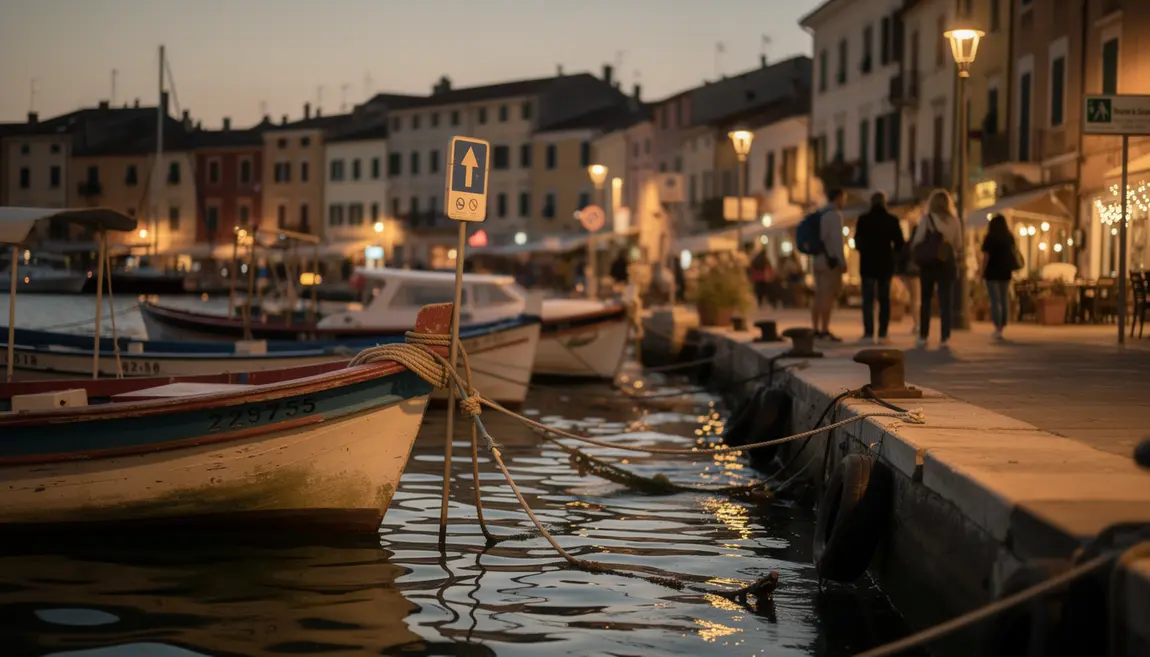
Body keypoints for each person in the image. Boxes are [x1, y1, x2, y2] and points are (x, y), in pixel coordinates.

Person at [910, 189, 964, 348]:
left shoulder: (927, 219)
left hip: (929, 264)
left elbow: (917, 240)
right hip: (947, 263)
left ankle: (923, 335)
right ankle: (944, 337)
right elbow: (959, 244)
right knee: (946, 301)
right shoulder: (955, 221)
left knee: (925, 299)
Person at [854, 191, 906, 343]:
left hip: (867, 264)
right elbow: (900, 244)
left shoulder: (863, 219)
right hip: (885, 264)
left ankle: (869, 332)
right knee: (884, 299)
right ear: (885, 203)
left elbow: (857, 242)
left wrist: (865, 250)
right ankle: (883, 332)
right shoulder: (892, 220)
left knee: (868, 300)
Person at [812, 188, 847, 341]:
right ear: (838, 197)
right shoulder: (835, 216)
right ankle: (824, 329)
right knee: (828, 296)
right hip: (830, 262)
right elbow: (837, 242)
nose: (844, 202)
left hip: (818, 260)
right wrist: (842, 261)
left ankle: (815, 329)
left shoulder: (820, 213)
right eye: (843, 198)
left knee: (819, 295)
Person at [980, 213, 1017, 340]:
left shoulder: (989, 238)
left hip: (992, 272)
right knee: (1003, 299)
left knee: (995, 301)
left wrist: (981, 272)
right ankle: (1003, 325)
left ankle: (998, 327)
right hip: (1006, 272)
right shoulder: (1009, 237)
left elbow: (986, 257)